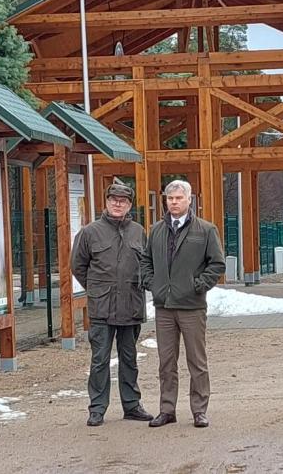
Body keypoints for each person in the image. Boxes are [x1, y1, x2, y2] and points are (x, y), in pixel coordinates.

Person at [140, 179, 225, 429]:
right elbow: (146, 260)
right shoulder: (156, 230)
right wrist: (152, 283)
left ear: (189, 199)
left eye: (179, 198)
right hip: (164, 306)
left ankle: (199, 410)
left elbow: (216, 264)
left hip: (192, 306)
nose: (174, 202)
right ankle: (167, 410)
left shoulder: (205, 230)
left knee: (197, 361)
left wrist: (199, 285)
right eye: (170, 198)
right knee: (166, 362)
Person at [71, 181, 153, 427]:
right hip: (102, 308)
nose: (118, 204)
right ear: (106, 202)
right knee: (100, 360)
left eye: (123, 201)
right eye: (113, 200)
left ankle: (132, 405)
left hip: (131, 305)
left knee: (129, 358)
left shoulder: (138, 231)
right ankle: (97, 408)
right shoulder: (89, 232)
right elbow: (78, 266)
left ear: (129, 205)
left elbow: (146, 264)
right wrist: (97, 289)